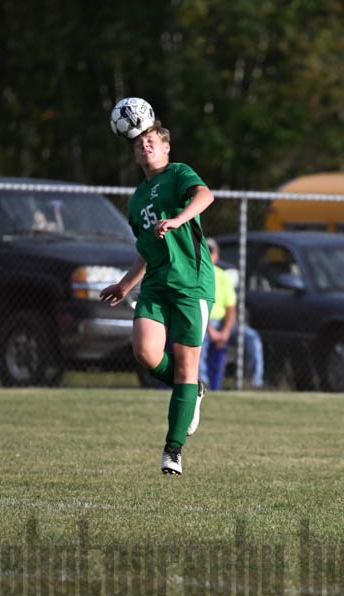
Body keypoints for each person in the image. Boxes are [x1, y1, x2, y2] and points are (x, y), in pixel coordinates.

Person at [100, 120, 214, 476]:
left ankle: (173, 451)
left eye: (151, 140)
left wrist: (179, 219)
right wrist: (124, 284)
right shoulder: (136, 201)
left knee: (184, 363)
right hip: (156, 284)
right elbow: (147, 252)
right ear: (134, 154)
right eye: (138, 144)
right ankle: (191, 389)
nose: (145, 146)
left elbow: (205, 196)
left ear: (166, 148)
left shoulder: (179, 173)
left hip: (191, 283)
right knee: (146, 353)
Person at [200, 238, 265, 390]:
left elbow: (231, 309)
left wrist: (225, 331)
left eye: (211, 252)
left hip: (223, 324)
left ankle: (256, 383)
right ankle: (202, 382)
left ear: (217, 255)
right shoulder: (195, 274)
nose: (208, 255)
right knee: (198, 339)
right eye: (205, 251)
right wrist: (210, 330)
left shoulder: (223, 277)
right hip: (203, 323)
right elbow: (195, 308)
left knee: (252, 337)